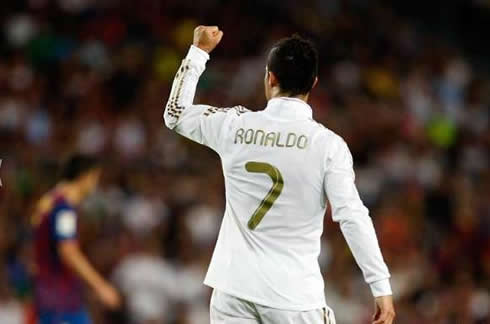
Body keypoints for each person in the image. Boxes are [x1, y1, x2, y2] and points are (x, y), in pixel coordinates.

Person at [164, 26, 396, 324]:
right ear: (313, 83)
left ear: (269, 77)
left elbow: (175, 113)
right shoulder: (327, 145)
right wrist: (380, 286)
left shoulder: (234, 126)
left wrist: (199, 52)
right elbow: (352, 216)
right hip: (294, 298)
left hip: (233, 293)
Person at [32, 155, 120, 324]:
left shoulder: (50, 201)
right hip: (59, 298)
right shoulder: (63, 208)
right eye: (95, 178)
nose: (95, 184)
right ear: (85, 177)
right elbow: (68, 251)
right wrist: (100, 286)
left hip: (52, 294)